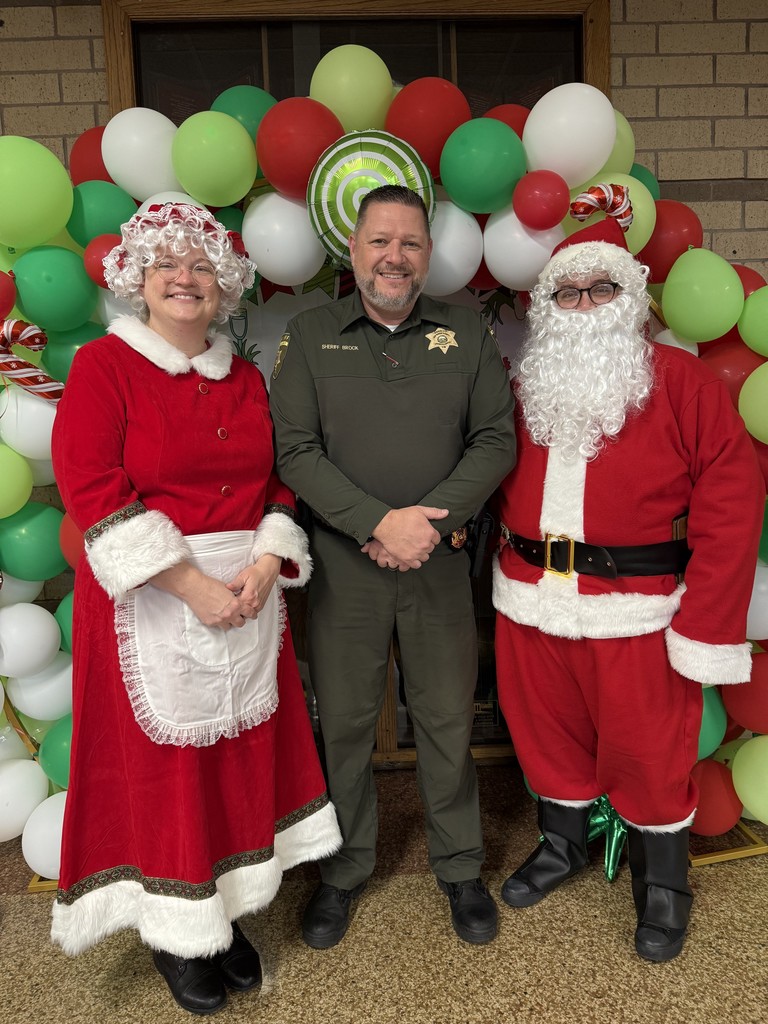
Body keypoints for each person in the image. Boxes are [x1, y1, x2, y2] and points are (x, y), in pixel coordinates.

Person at [50, 202, 341, 1015]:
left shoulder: (244, 377)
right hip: (151, 603)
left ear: (225, 286)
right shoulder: (103, 368)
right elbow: (91, 487)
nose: (185, 279)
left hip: (245, 598)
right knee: (165, 774)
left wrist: (267, 561)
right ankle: (175, 929)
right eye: (167, 265)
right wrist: (190, 585)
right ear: (138, 280)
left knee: (232, 762)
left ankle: (221, 911)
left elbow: (276, 481)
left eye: (202, 266)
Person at [491, 194, 765, 963]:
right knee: (547, 736)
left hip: (638, 611)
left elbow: (732, 506)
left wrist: (706, 624)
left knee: (650, 753)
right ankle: (561, 845)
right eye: (568, 293)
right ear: (547, 307)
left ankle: (665, 883)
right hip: (529, 602)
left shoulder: (683, 382)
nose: (585, 306)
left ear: (631, 297)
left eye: (601, 288)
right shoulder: (525, 386)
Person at [269, 184, 516, 949]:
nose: (394, 256)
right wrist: (378, 523)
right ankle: (344, 871)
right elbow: (294, 450)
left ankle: (461, 868)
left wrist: (422, 527)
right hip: (345, 568)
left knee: (445, 719)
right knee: (344, 723)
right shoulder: (312, 335)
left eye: (409, 242)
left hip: (438, 564)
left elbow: (495, 440)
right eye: (380, 240)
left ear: (428, 254)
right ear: (354, 248)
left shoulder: (466, 332)